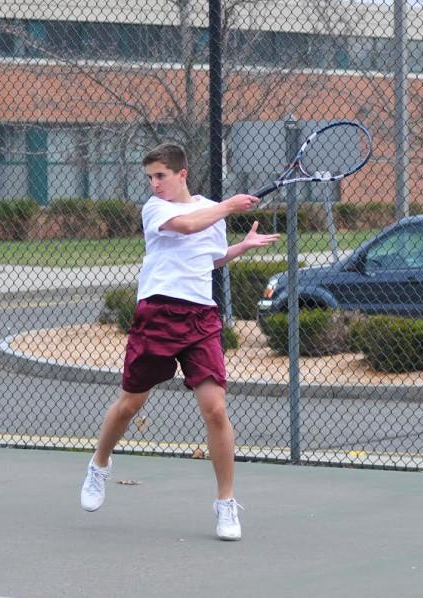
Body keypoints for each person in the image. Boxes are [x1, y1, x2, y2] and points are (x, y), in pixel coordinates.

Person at [80, 142, 280, 541]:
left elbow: (206, 256)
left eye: (161, 176)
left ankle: (225, 503)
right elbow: (187, 227)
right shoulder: (156, 209)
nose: (154, 184)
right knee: (130, 405)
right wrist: (228, 206)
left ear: (182, 174)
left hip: (201, 318)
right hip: (156, 313)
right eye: (150, 177)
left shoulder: (210, 209)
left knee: (216, 410)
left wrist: (238, 248)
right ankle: (99, 464)